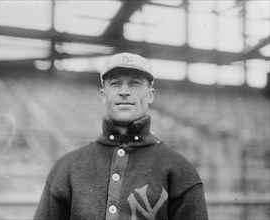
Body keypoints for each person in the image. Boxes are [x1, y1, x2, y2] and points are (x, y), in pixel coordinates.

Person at [34, 52, 209, 220]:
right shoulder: (67, 167)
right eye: (115, 83)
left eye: (135, 83)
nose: (124, 91)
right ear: (103, 95)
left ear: (150, 95)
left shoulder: (180, 170)